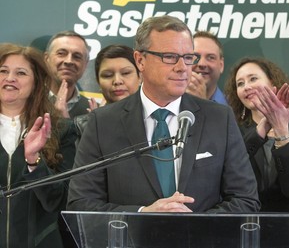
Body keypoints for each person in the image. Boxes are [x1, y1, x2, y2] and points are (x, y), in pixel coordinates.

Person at [67, 15, 260, 213]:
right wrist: (142, 213)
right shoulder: (102, 123)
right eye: (169, 57)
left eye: (187, 58)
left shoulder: (219, 119)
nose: (182, 67)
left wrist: (195, 226)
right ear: (140, 60)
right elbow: (81, 203)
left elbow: (245, 200)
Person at [0, 43, 76, 248]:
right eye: (3, 71)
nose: (10, 78)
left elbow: (59, 202)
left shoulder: (62, 131)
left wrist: (34, 162)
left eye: (21, 73)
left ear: (36, 82)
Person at [225, 57, 289, 212]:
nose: (247, 87)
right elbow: (230, 171)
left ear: (272, 82)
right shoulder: (231, 132)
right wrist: (262, 128)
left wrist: (281, 132)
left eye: (253, 79)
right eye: (240, 83)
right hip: (242, 223)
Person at [74, 44, 142, 140]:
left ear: (140, 77)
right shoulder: (83, 126)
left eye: (126, 73)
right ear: (98, 81)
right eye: (107, 75)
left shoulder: (157, 119)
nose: (117, 81)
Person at [44, 30, 91, 119]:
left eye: (77, 56)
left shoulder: (92, 111)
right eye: (61, 53)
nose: (69, 61)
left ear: (86, 64)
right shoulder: (25, 101)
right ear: (47, 59)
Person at [186, 30, 228, 105]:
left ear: (221, 65)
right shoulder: (167, 102)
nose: (202, 64)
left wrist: (202, 103)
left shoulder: (235, 108)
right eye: (195, 57)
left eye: (210, 57)